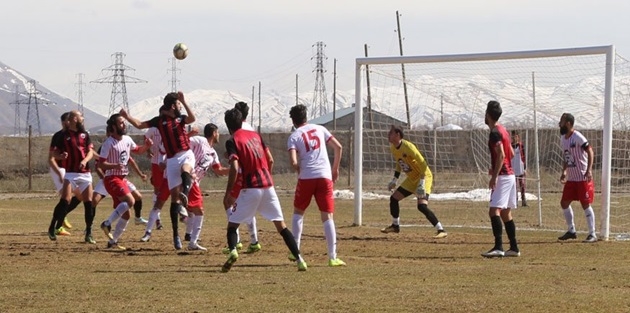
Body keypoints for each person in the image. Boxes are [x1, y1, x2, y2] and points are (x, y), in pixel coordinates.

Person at [221, 108, 306, 272]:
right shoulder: (256, 135)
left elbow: (235, 165)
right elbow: (269, 159)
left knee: (232, 226)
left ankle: (232, 251)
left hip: (250, 189)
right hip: (268, 187)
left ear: (229, 126)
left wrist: (229, 191)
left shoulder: (232, 140)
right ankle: (300, 259)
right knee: (281, 227)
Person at [120, 91, 195, 250]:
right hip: (172, 160)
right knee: (173, 199)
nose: (180, 106)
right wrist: (127, 117)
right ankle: (176, 235)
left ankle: (185, 194)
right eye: (179, 103)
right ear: (172, 106)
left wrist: (184, 100)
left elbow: (193, 118)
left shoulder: (180, 119)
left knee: (186, 168)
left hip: (185, 153)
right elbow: (140, 125)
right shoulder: (159, 121)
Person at [287, 104, 346, 267]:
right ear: (306, 117)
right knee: (327, 216)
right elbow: (338, 147)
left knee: (298, 212)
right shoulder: (320, 129)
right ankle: (333, 257)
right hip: (324, 176)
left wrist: (298, 168)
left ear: (293, 120)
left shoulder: (294, 136)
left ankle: (295, 250)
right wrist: (335, 169)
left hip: (307, 177)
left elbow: (293, 160)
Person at [381, 125, 448, 239]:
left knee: (421, 206)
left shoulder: (409, 147)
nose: (388, 135)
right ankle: (395, 226)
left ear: (398, 135)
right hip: (412, 179)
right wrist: (394, 179)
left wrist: (422, 182)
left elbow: (423, 164)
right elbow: (399, 163)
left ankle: (441, 229)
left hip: (424, 176)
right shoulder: (393, 147)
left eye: (391, 133)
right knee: (394, 198)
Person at [98, 114, 152, 250]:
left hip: (122, 179)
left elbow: (138, 151)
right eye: (121, 123)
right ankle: (107, 223)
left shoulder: (127, 139)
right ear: (114, 127)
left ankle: (113, 241)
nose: (124, 125)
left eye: (124, 123)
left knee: (126, 215)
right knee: (130, 201)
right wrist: (114, 166)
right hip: (112, 178)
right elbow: (101, 164)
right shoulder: (108, 143)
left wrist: (146, 146)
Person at [48, 110, 96, 243]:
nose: (83, 118)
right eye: (81, 116)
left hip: (85, 174)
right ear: (74, 119)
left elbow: (90, 152)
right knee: (65, 200)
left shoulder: (85, 135)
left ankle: (89, 233)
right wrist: (60, 156)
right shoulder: (62, 136)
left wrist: (85, 161)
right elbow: (53, 155)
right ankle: (52, 226)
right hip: (70, 173)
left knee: (88, 203)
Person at [481, 100, 520, 258]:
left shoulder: (494, 133)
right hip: (510, 175)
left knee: (493, 210)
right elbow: (511, 153)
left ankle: (498, 247)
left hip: (503, 176)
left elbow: (503, 154)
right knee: (505, 213)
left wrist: (495, 176)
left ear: (488, 115)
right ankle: (514, 248)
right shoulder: (503, 130)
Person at [183, 123, 229, 251]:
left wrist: (234, 170)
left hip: (195, 183)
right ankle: (192, 242)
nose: (219, 135)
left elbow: (219, 170)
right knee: (199, 211)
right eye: (218, 132)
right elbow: (183, 142)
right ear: (214, 133)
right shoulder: (200, 140)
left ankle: (186, 226)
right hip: (188, 178)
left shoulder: (213, 153)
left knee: (193, 211)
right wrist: (190, 134)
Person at [557, 113, 597, 243]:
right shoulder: (563, 138)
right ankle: (571, 230)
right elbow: (567, 156)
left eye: (562, 121)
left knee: (585, 204)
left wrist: (589, 170)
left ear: (568, 123)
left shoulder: (578, 136)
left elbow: (590, 151)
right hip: (572, 178)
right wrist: (564, 171)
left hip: (582, 177)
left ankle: (592, 234)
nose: (560, 123)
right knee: (564, 203)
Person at [48, 112, 82, 235]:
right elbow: (50, 159)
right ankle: (58, 226)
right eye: (69, 120)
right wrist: (59, 174)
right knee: (66, 199)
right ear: (63, 122)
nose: (73, 122)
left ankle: (63, 216)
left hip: (70, 170)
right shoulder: (58, 136)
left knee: (80, 196)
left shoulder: (75, 135)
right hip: (59, 169)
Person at [511, 130, 527, 207]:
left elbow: (524, 157)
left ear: (518, 137)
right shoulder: (510, 146)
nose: (514, 138)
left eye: (515, 136)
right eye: (513, 136)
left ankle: (523, 201)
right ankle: (515, 201)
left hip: (520, 169)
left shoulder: (521, 146)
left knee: (522, 185)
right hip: (513, 169)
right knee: (514, 186)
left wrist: (525, 168)